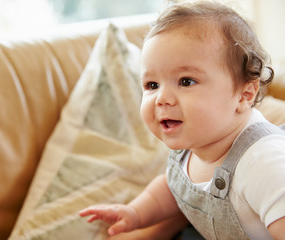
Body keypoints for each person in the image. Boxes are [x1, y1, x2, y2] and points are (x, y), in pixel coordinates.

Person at [79, 1, 285, 239]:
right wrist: (135, 213)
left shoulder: (264, 164)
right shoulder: (194, 142)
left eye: (186, 81)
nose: (162, 99)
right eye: (152, 85)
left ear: (244, 95)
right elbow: (173, 186)